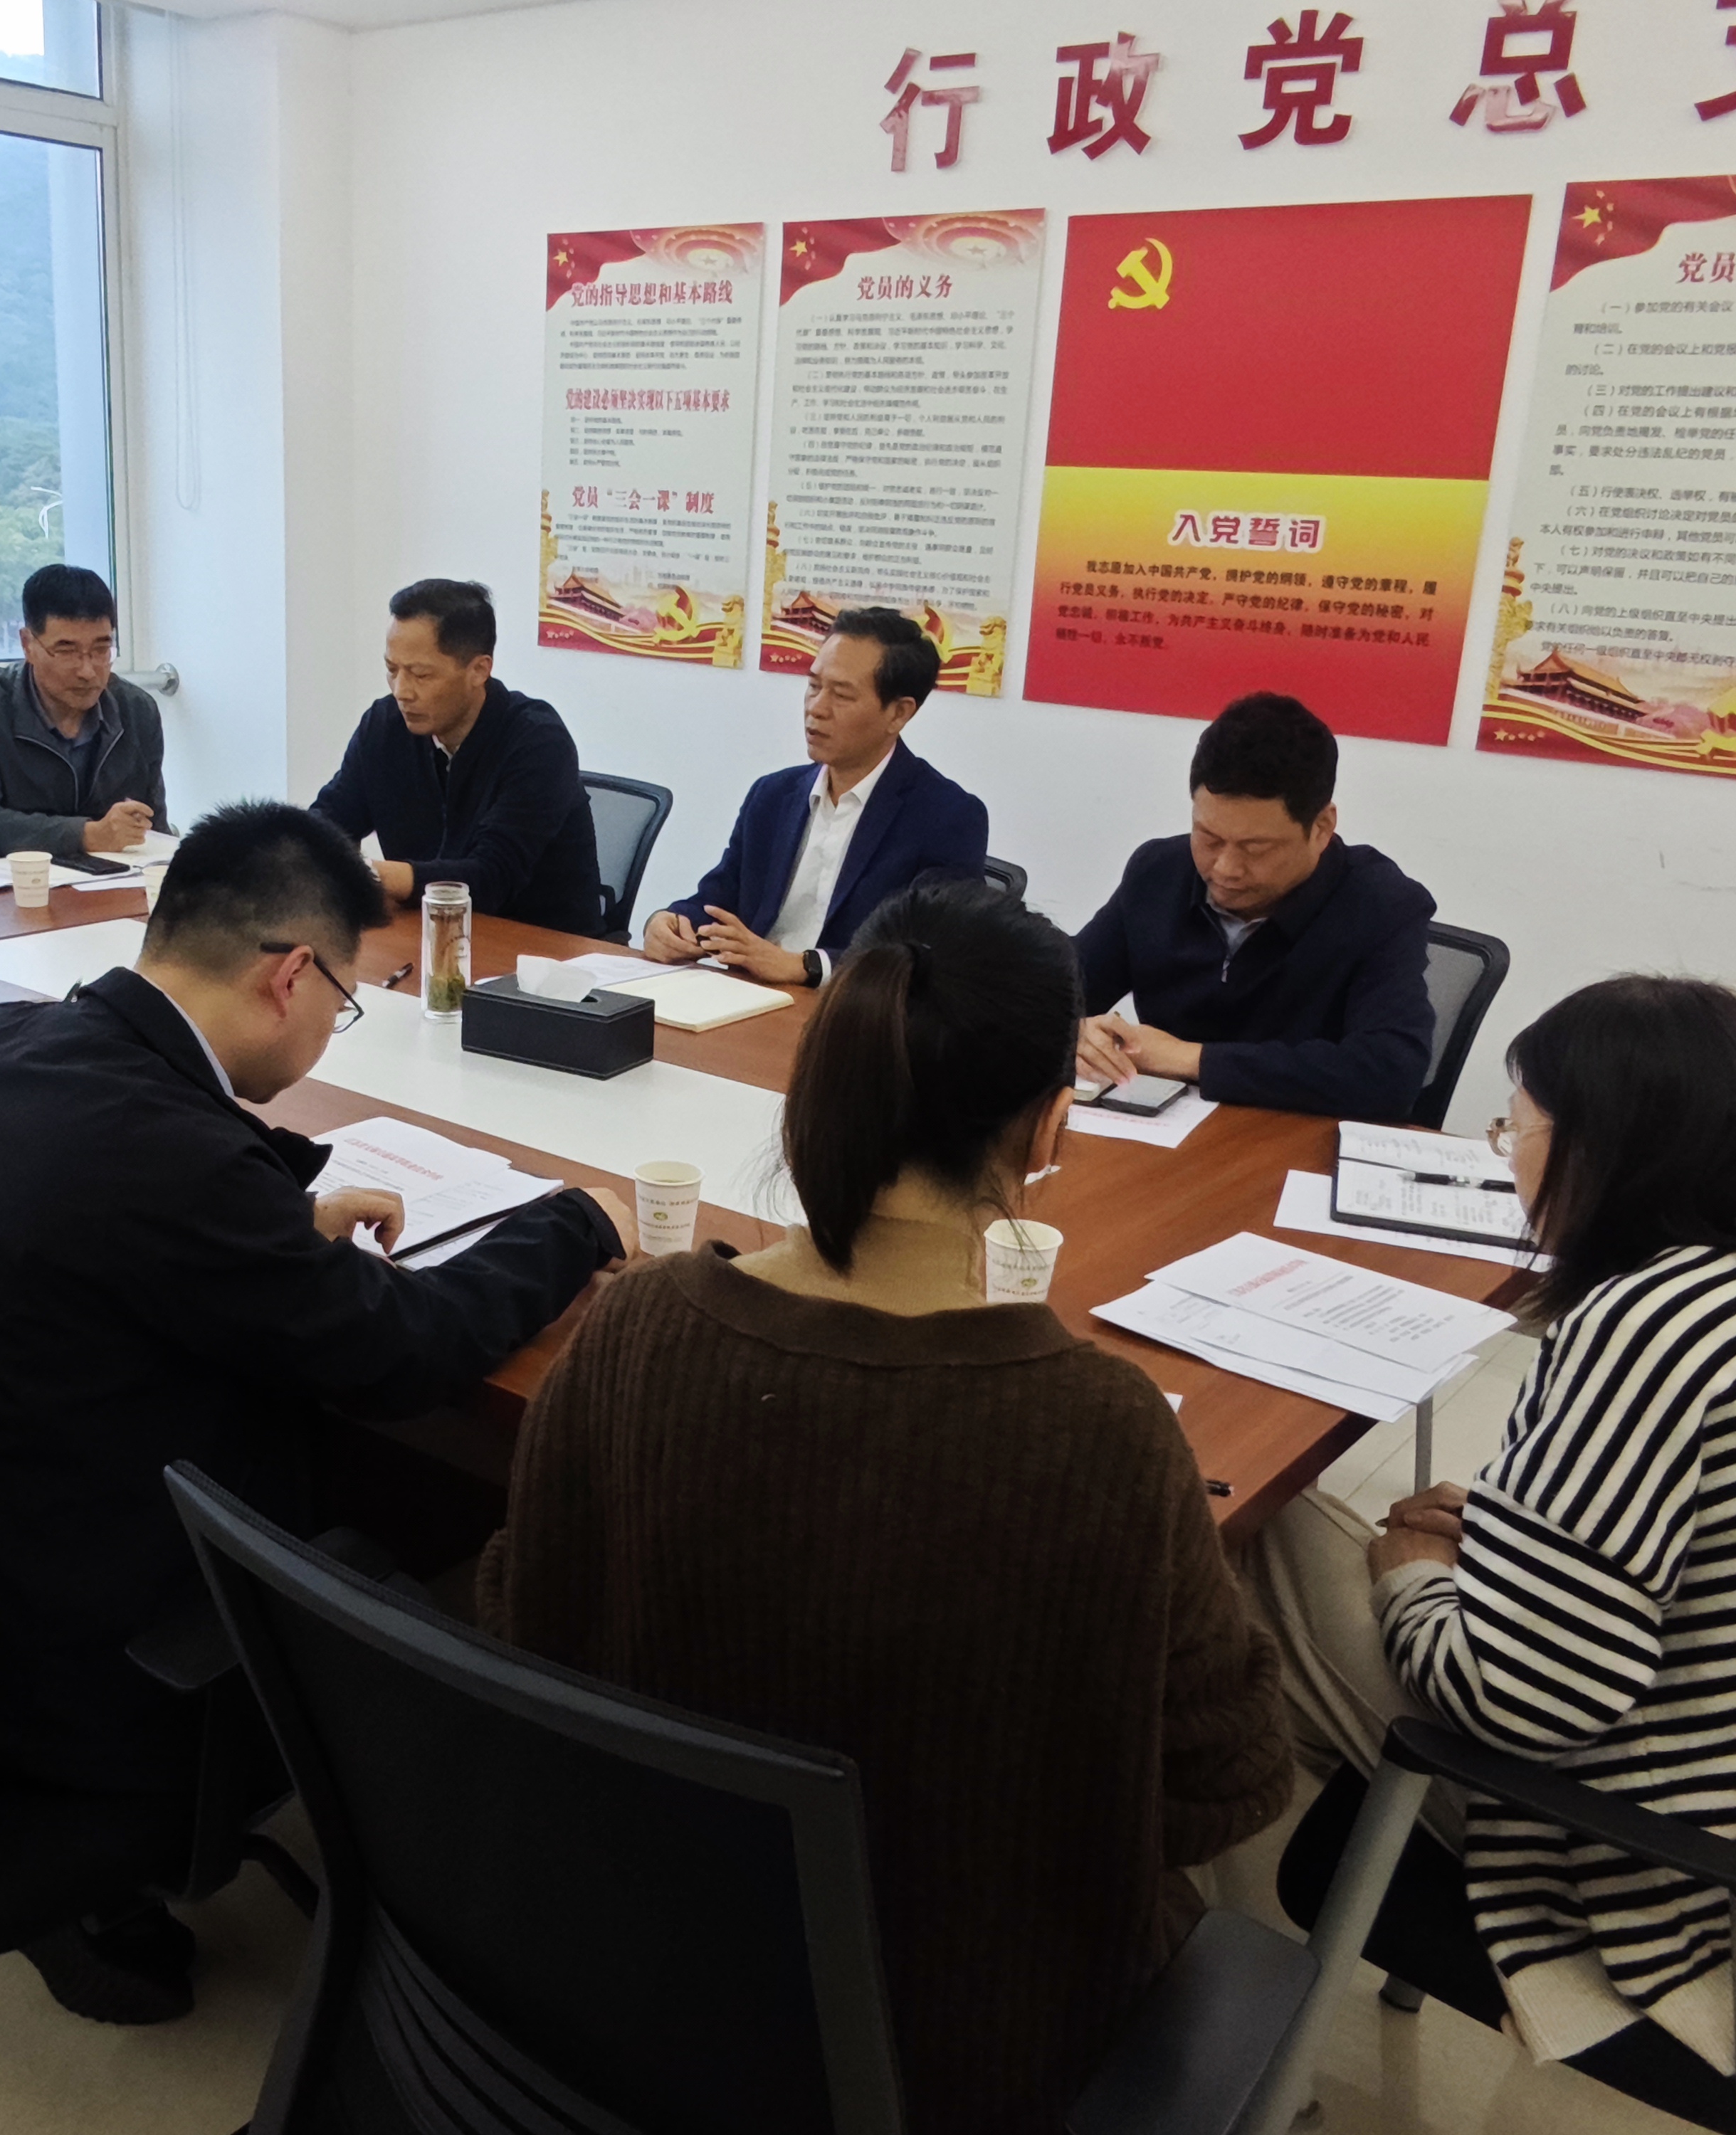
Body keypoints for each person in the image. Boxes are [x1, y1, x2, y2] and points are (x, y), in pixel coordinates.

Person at [485, 877, 1293, 2127]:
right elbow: (1223, 1779)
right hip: (966, 2055)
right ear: (1051, 1126)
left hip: (640, 1991)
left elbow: (522, 1620)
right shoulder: (1102, 1429)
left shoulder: (637, 1326)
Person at [0, 800, 628, 2025]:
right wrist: (575, 1222)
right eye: (344, 999)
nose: (332, 1025)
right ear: (289, 976)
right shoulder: (165, 1158)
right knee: (437, 1520)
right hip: (90, 1654)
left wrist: (276, 1220)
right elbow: (402, 1351)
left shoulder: (2, 1045)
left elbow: (120, 1205)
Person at [1248, 976, 1736, 2132]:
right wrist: (1512, 1543)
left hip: (1695, 1881)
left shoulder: (1646, 1327)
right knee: (1334, 1545)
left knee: (1263, 1524)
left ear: (1596, 1150)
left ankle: (1192, 1987)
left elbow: (1528, 1701)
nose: (1507, 1158)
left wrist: (1416, 1582)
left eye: (1515, 1129)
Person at [1073, 692, 1434, 1119]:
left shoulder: (1382, 905)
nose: (1225, 868)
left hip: (1293, 1140)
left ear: (1322, 827)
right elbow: (1052, 991)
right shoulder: (1157, 873)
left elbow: (1389, 1074)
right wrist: (1077, 1033)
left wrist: (1191, 1059)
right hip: (1158, 1137)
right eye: (1209, 838)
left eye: (1256, 848)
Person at [643, 608, 987, 986]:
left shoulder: (947, 816)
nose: (816, 708)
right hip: (747, 994)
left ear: (899, 714)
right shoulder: (773, 795)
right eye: (813, 686)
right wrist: (671, 923)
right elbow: (719, 898)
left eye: (842, 695)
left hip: (849, 1008)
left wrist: (805, 966)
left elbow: (927, 953)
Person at [310, 577, 603, 936]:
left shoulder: (538, 741)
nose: (402, 692)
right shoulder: (385, 726)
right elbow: (327, 822)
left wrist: (371, 875)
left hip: (540, 948)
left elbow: (491, 878)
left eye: (421, 675)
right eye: (392, 670)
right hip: (429, 934)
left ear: (479, 670)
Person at [0, 563, 168, 863]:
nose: (88, 671)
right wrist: (86, 835)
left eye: (101, 650)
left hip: (110, 880)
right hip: (3, 880)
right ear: (28, 645)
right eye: (67, 651)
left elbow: (154, 826)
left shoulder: (136, 710)